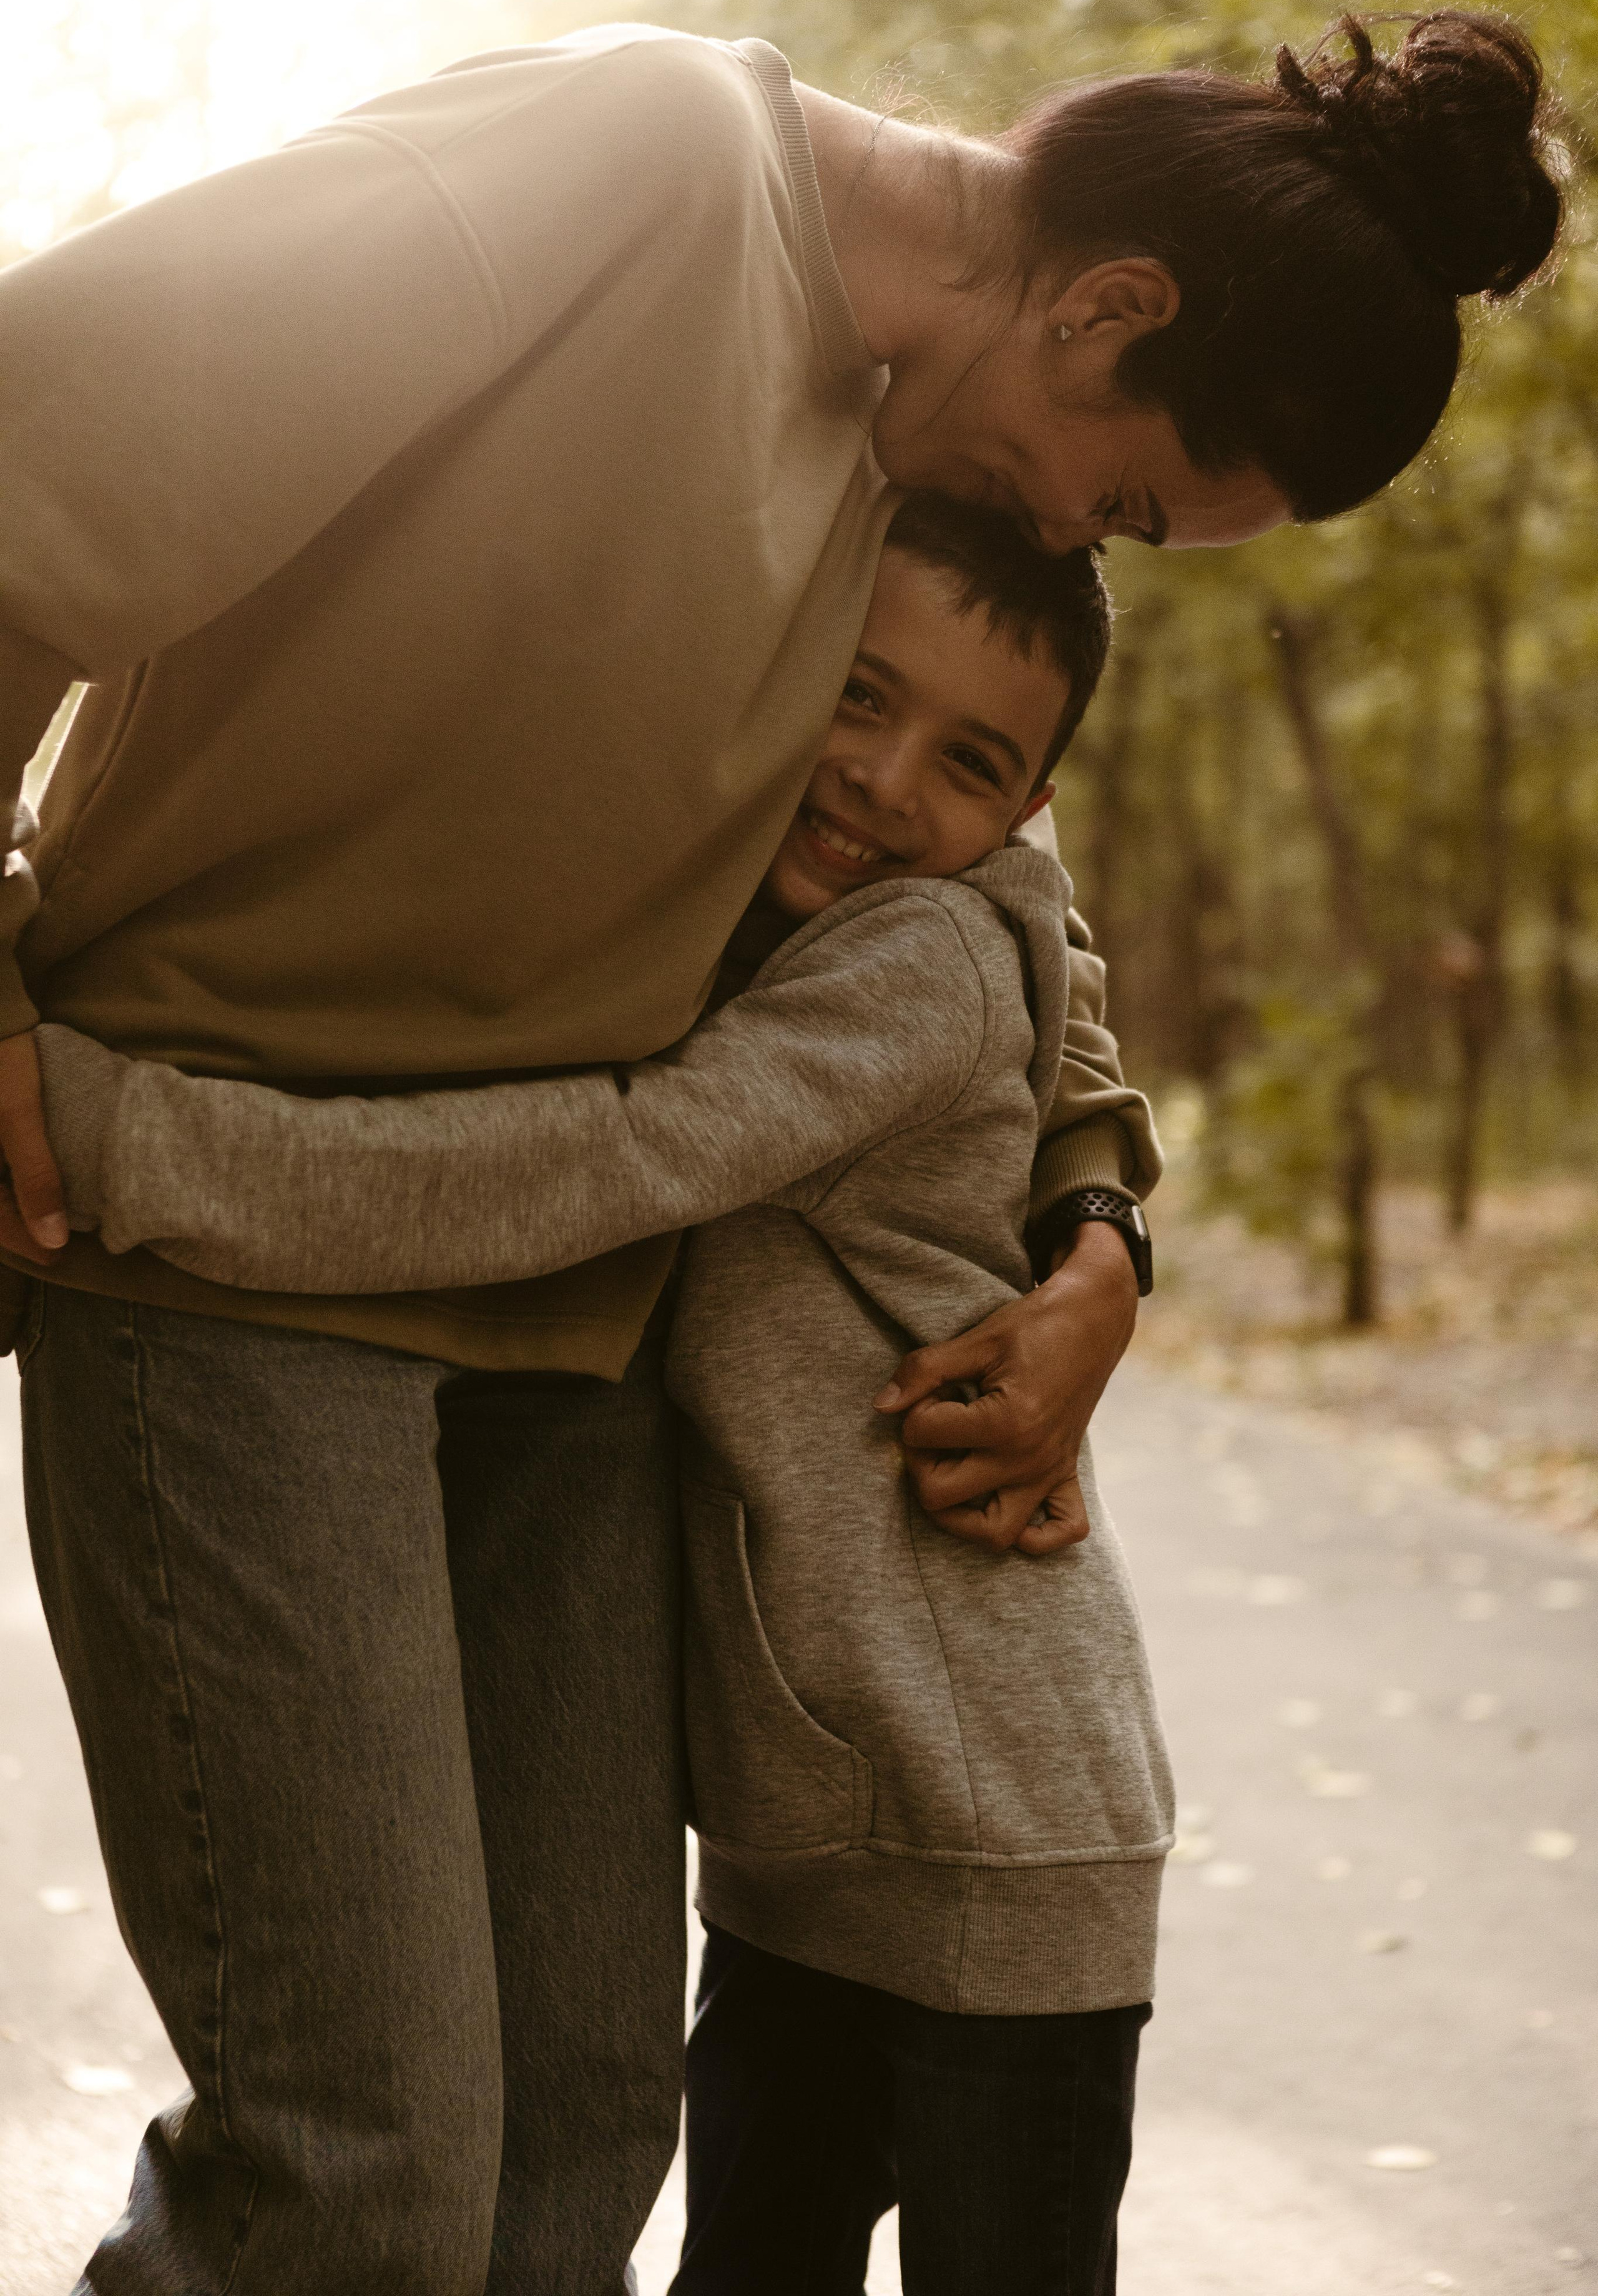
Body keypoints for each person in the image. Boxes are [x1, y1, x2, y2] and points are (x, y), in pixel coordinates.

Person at [0, 6, 1559, 2293]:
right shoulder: (625, 165)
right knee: (366, 2188)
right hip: (230, 1265)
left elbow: (998, 888)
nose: (1079, 539)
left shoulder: (925, 445)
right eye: (1122, 496)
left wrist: (1100, 1229)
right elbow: (32, 452)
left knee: (579, 2142)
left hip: (573, 1353)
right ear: (1113, 305)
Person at [36, 492, 1167, 2296]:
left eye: (962, 758)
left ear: (1019, 809)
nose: (880, 781)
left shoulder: (912, 955)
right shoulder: (797, 863)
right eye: (857, 699)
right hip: (831, 1815)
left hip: (977, 1821)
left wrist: (122, 1139)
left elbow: (608, 1163)